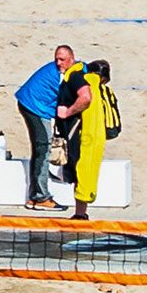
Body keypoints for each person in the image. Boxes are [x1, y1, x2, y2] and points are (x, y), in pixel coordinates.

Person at [15, 43, 73, 210]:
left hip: (35, 104)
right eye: (56, 59)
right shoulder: (64, 73)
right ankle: (40, 197)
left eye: (62, 60)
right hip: (33, 106)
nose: (58, 63)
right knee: (43, 147)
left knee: (40, 149)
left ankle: (34, 196)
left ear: (71, 59)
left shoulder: (75, 72)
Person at [60, 57, 116, 219]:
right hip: (97, 138)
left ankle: (80, 213)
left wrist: (67, 112)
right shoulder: (103, 90)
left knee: (79, 171)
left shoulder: (82, 81)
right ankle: (81, 211)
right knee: (86, 172)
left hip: (81, 135)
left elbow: (84, 100)